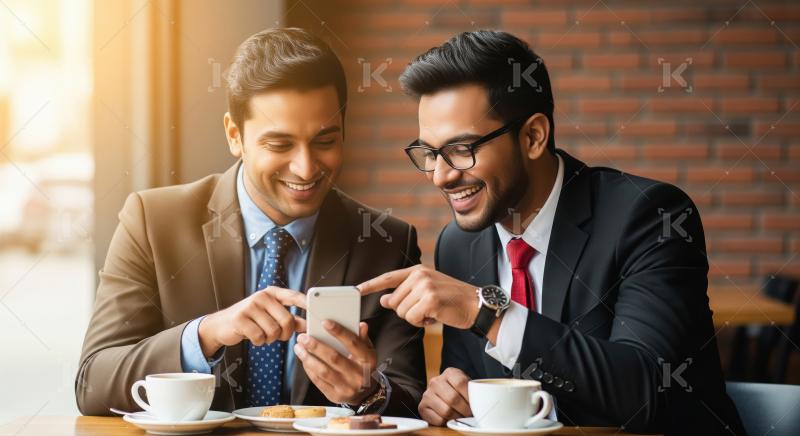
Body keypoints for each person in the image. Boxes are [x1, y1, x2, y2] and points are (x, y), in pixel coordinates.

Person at [358, 30, 745, 434]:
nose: (441, 176)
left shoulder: (649, 216)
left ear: (533, 137)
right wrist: (451, 397)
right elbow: (472, 397)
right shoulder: (460, 245)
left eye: (461, 150)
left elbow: (649, 390)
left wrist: (486, 311)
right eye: (431, 153)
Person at [76, 28, 425, 417]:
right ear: (234, 135)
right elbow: (93, 383)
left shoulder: (387, 242)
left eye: (325, 141)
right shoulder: (153, 222)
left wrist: (368, 393)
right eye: (279, 145)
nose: (306, 167)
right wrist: (205, 334)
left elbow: (412, 403)